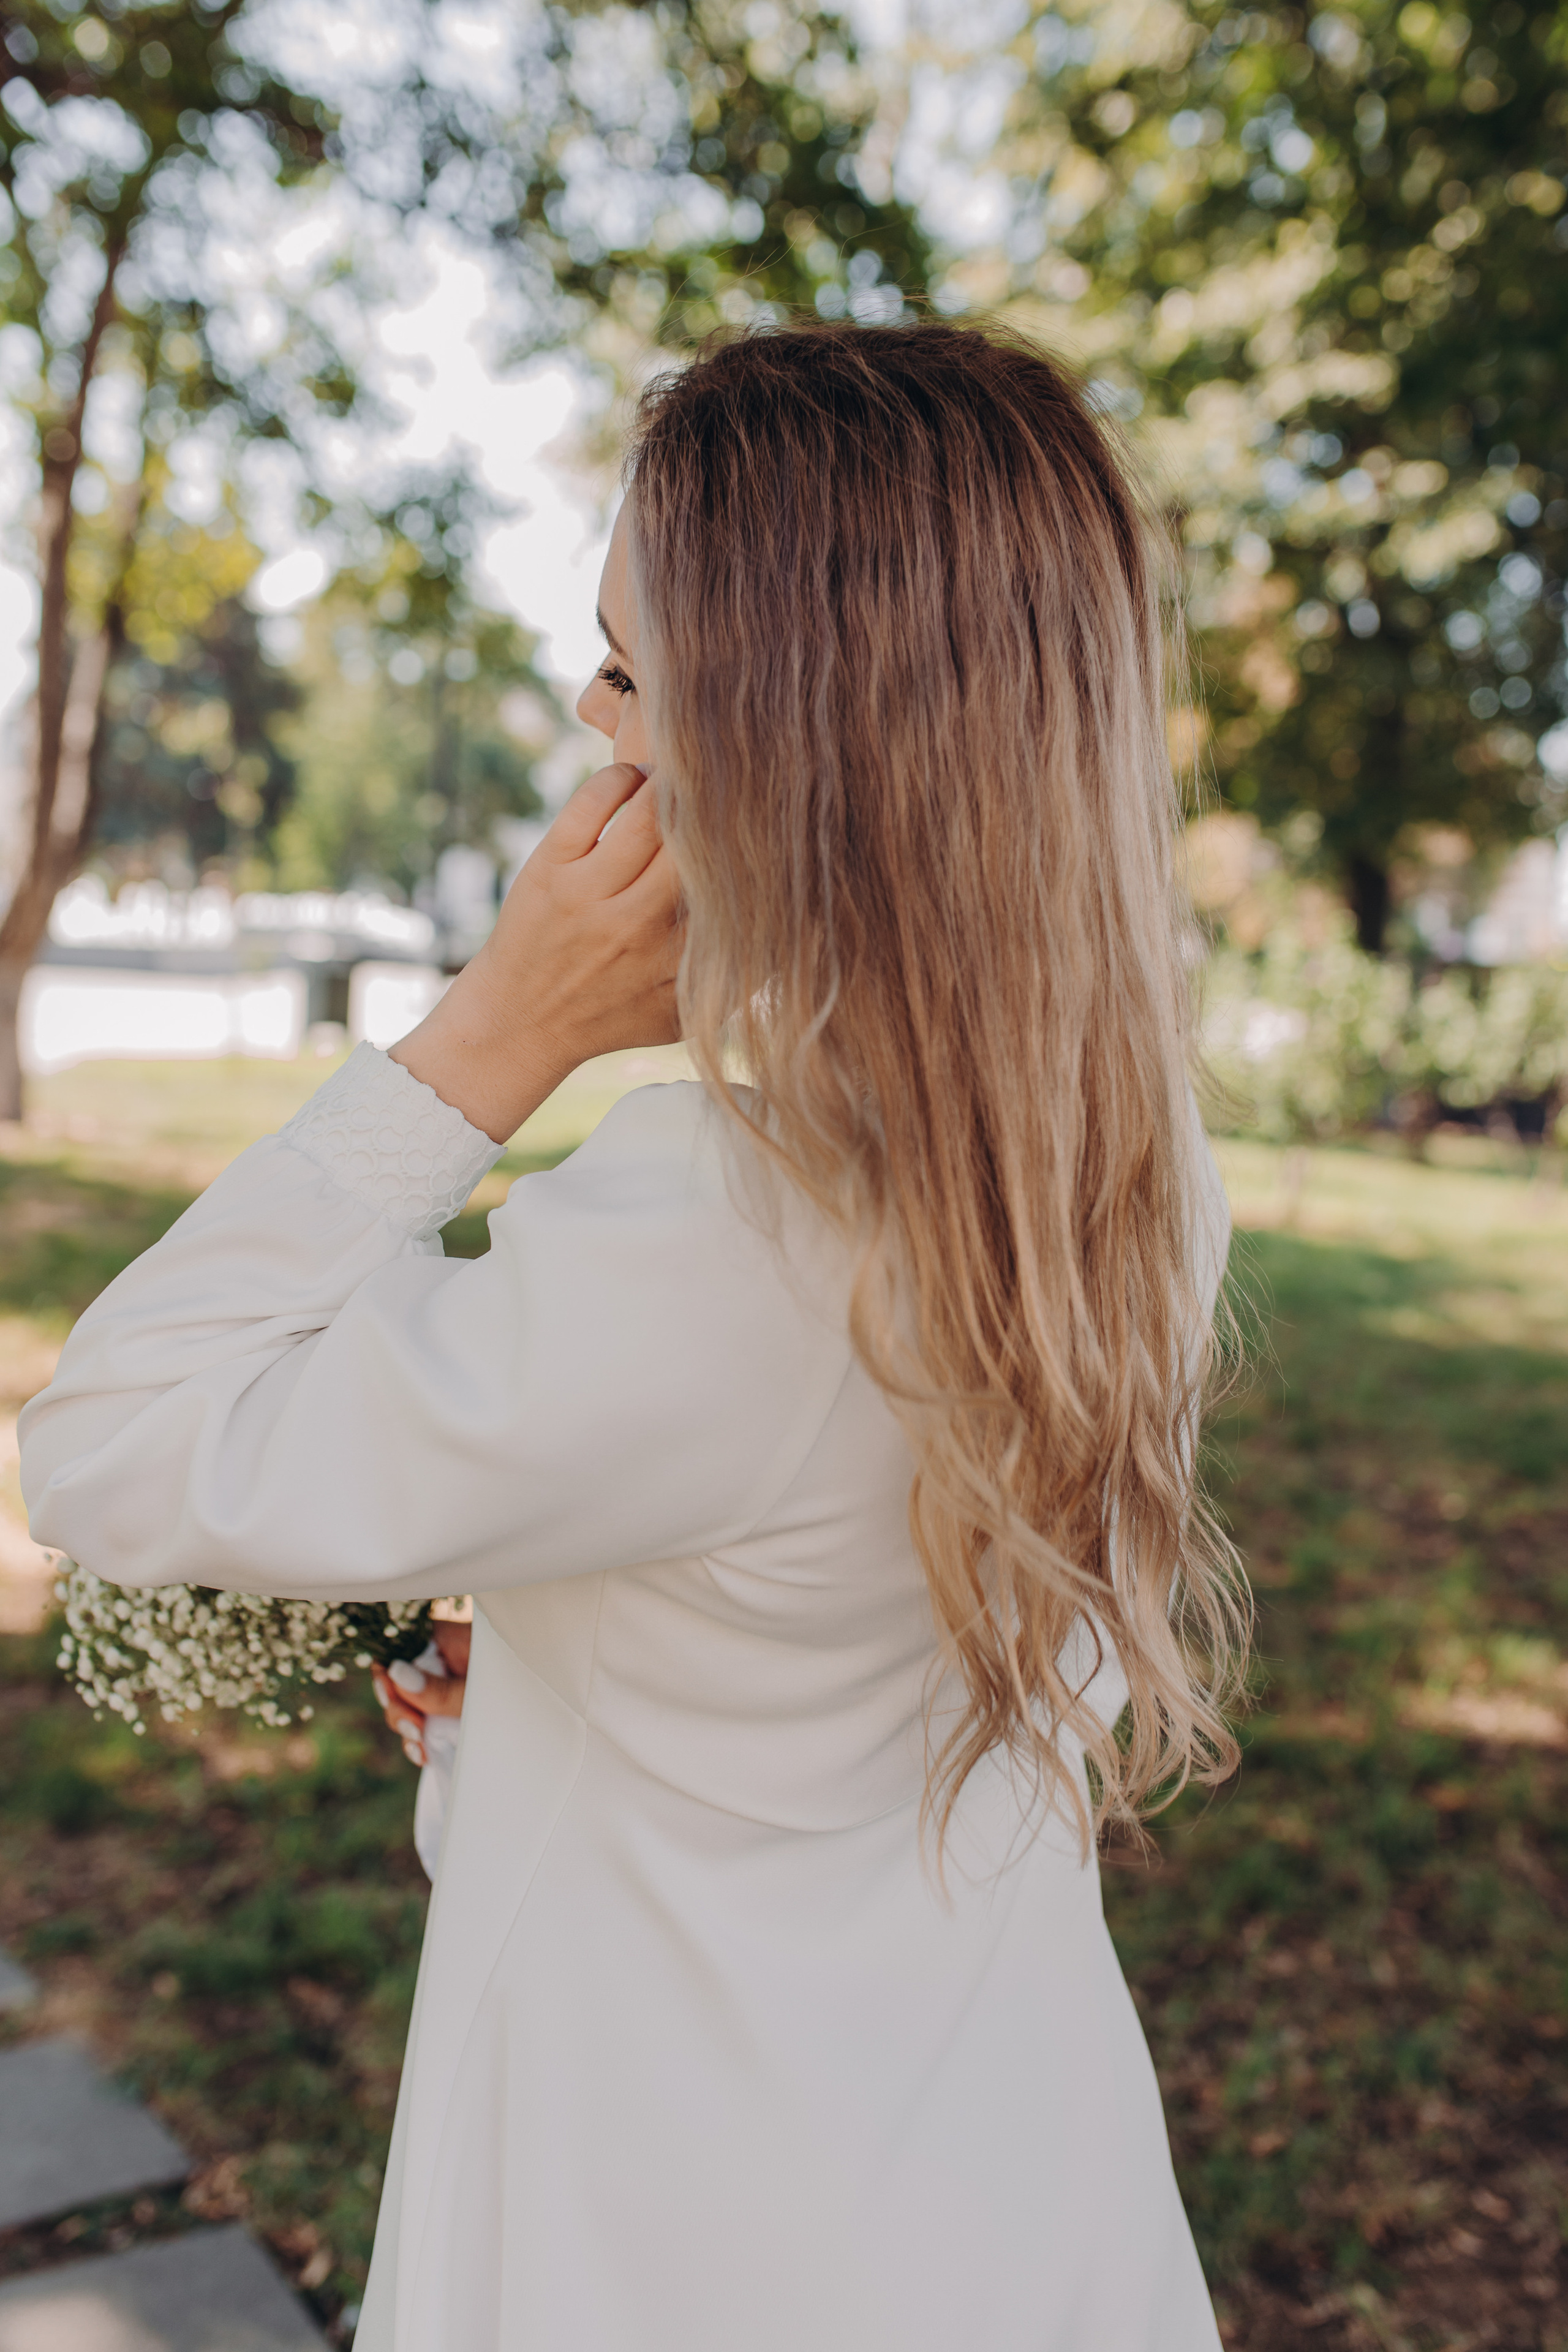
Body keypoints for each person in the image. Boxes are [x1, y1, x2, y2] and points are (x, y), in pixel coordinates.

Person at [21, 321, 1245, 2352]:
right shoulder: (1122, 1171)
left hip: (674, 2214)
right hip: (1011, 2183)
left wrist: (492, 1034)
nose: (591, 725)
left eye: (624, 669)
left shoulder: (722, 1230)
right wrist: (579, 1701)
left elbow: (121, 1444)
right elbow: (968, 1664)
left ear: (776, 752)